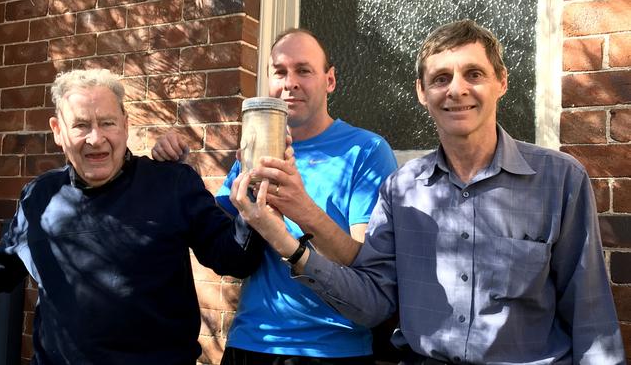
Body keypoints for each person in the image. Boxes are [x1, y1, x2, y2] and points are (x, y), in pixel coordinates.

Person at [231, 20, 626, 364]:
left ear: (501, 82)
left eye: (473, 74)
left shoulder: (559, 180)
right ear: (422, 92)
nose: (457, 90)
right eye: (440, 78)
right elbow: (372, 303)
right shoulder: (401, 191)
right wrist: (285, 240)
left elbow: (592, 319)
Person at [0, 69, 268, 365]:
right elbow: (1, 267)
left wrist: (253, 205)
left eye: (107, 123)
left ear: (126, 125)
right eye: (81, 125)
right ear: (57, 130)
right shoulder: (39, 196)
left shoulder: (171, 183)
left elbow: (232, 257)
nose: (96, 138)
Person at [153, 28, 398, 364]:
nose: (290, 82)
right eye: (279, 72)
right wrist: (182, 174)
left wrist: (301, 209)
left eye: (303, 70)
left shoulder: (365, 150)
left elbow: (363, 263)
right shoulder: (256, 152)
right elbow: (226, 247)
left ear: (330, 80)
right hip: (251, 342)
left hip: (333, 348)